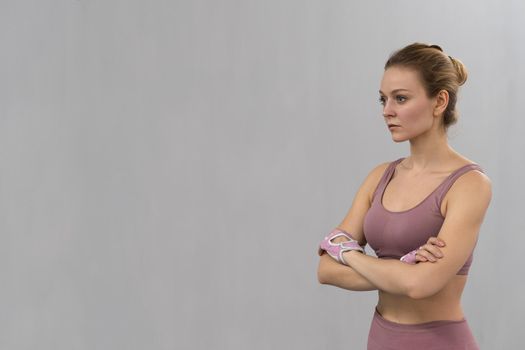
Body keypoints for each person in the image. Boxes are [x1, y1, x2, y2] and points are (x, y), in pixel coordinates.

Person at [317, 43, 492, 349]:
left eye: (401, 98)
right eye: (383, 99)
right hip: (380, 338)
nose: (387, 111)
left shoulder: (470, 184)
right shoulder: (380, 177)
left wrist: (345, 252)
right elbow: (325, 270)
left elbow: (421, 285)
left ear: (439, 102)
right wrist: (403, 269)